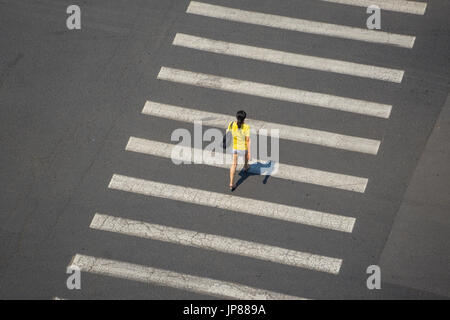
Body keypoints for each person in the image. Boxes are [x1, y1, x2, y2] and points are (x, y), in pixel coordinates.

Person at [227, 110, 250, 191]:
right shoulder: (246, 127)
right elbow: (247, 140)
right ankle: (246, 166)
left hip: (234, 148)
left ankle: (231, 184)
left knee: (234, 164)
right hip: (242, 148)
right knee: (246, 154)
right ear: (244, 118)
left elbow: (228, 133)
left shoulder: (231, 124)